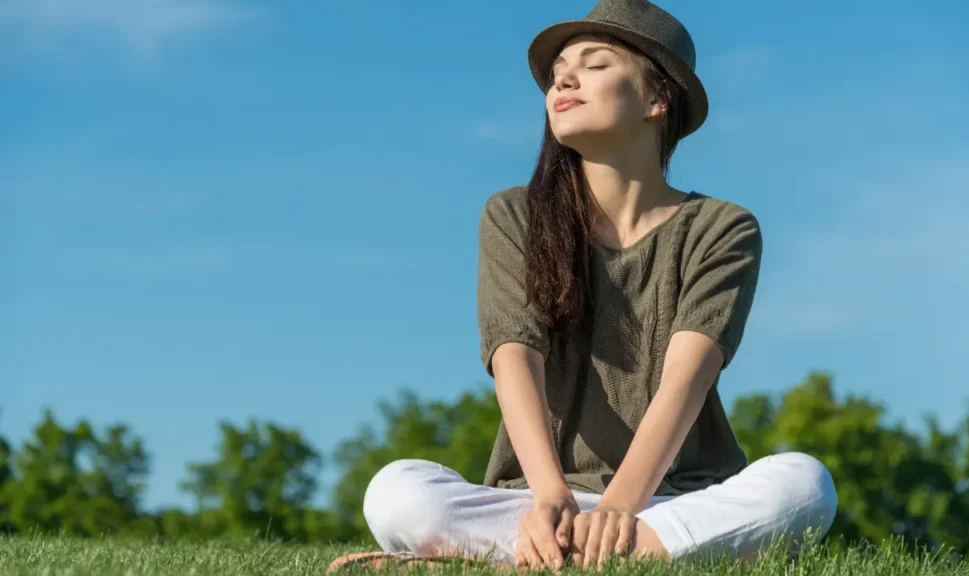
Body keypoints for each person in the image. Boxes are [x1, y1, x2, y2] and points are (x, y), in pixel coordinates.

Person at [329, 0, 837, 572]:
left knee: (803, 484)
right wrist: (549, 497)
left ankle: (529, 561)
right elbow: (515, 358)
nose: (563, 79)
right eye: (557, 73)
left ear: (656, 99)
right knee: (397, 490)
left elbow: (686, 381)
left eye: (595, 65)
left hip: (666, 501)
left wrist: (620, 507)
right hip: (541, 500)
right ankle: (616, 557)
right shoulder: (514, 214)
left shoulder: (722, 228)